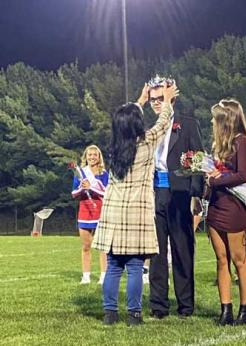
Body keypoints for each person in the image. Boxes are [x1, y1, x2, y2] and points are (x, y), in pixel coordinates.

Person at [92, 83, 178, 326]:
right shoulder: (146, 142)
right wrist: (168, 101)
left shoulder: (113, 148)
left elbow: (124, 120)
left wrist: (139, 100)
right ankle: (134, 314)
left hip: (113, 212)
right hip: (136, 212)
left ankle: (110, 313)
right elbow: (162, 123)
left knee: (113, 267)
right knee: (135, 267)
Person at [148, 75, 204, 319]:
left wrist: (196, 195)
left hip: (181, 195)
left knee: (182, 250)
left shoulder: (188, 124)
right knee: (156, 253)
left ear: (171, 96)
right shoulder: (150, 129)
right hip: (154, 194)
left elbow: (199, 160)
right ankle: (159, 306)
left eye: (161, 98)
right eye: (153, 100)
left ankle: (185, 305)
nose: (157, 103)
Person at [206, 99, 246, 326]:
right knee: (221, 259)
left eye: (216, 117)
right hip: (216, 205)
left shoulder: (241, 141)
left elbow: (244, 175)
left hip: (234, 206)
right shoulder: (218, 144)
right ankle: (225, 309)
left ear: (227, 119)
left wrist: (217, 180)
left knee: (239, 259)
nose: (212, 121)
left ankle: (245, 310)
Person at [71, 145, 108, 285]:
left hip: (100, 211)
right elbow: (74, 193)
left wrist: (91, 187)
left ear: (99, 157)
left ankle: (103, 276)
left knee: (102, 247)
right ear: (85, 157)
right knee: (86, 246)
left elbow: (107, 192)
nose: (92, 157)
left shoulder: (104, 174)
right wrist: (82, 187)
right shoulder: (80, 172)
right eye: (89, 154)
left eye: (95, 155)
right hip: (85, 211)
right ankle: (86, 276)